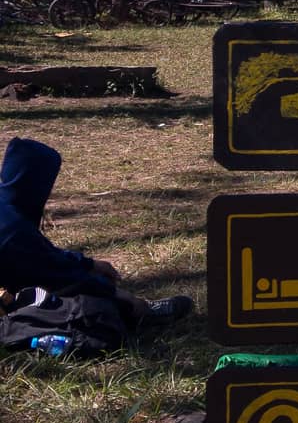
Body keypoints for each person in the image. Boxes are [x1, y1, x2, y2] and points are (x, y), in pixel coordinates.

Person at [0, 137, 192, 327]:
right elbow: (58, 274)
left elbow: (42, 254)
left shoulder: (7, 212)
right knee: (79, 307)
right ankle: (140, 315)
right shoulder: (13, 231)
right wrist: (118, 295)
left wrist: (87, 263)